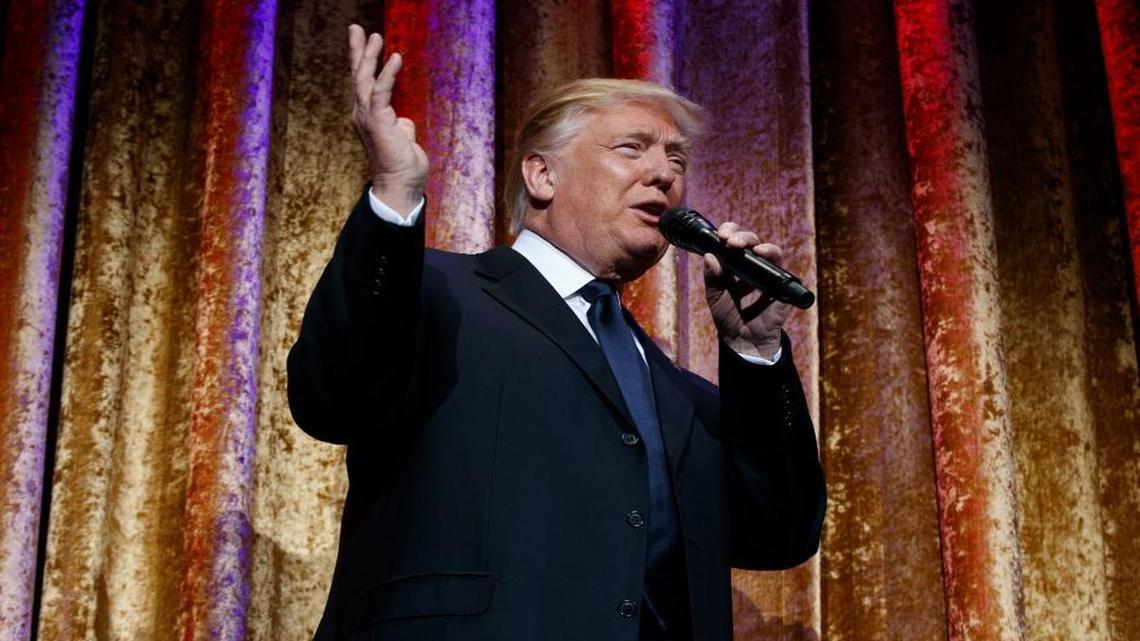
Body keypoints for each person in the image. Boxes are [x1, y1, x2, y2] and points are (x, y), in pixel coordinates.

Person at [287, 24, 826, 641]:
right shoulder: (439, 292)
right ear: (542, 176)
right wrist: (395, 195)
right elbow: (333, 399)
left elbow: (780, 531)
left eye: (676, 159)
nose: (664, 174)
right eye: (633, 147)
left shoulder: (670, 388)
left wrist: (755, 353)